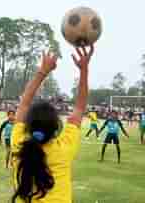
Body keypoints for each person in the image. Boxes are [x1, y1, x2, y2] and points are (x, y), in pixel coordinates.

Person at [10, 46, 93, 203]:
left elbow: (24, 104)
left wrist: (43, 71)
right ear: (56, 127)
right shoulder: (64, 148)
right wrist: (84, 70)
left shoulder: (18, 143)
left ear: (28, 124)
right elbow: (80, 108)